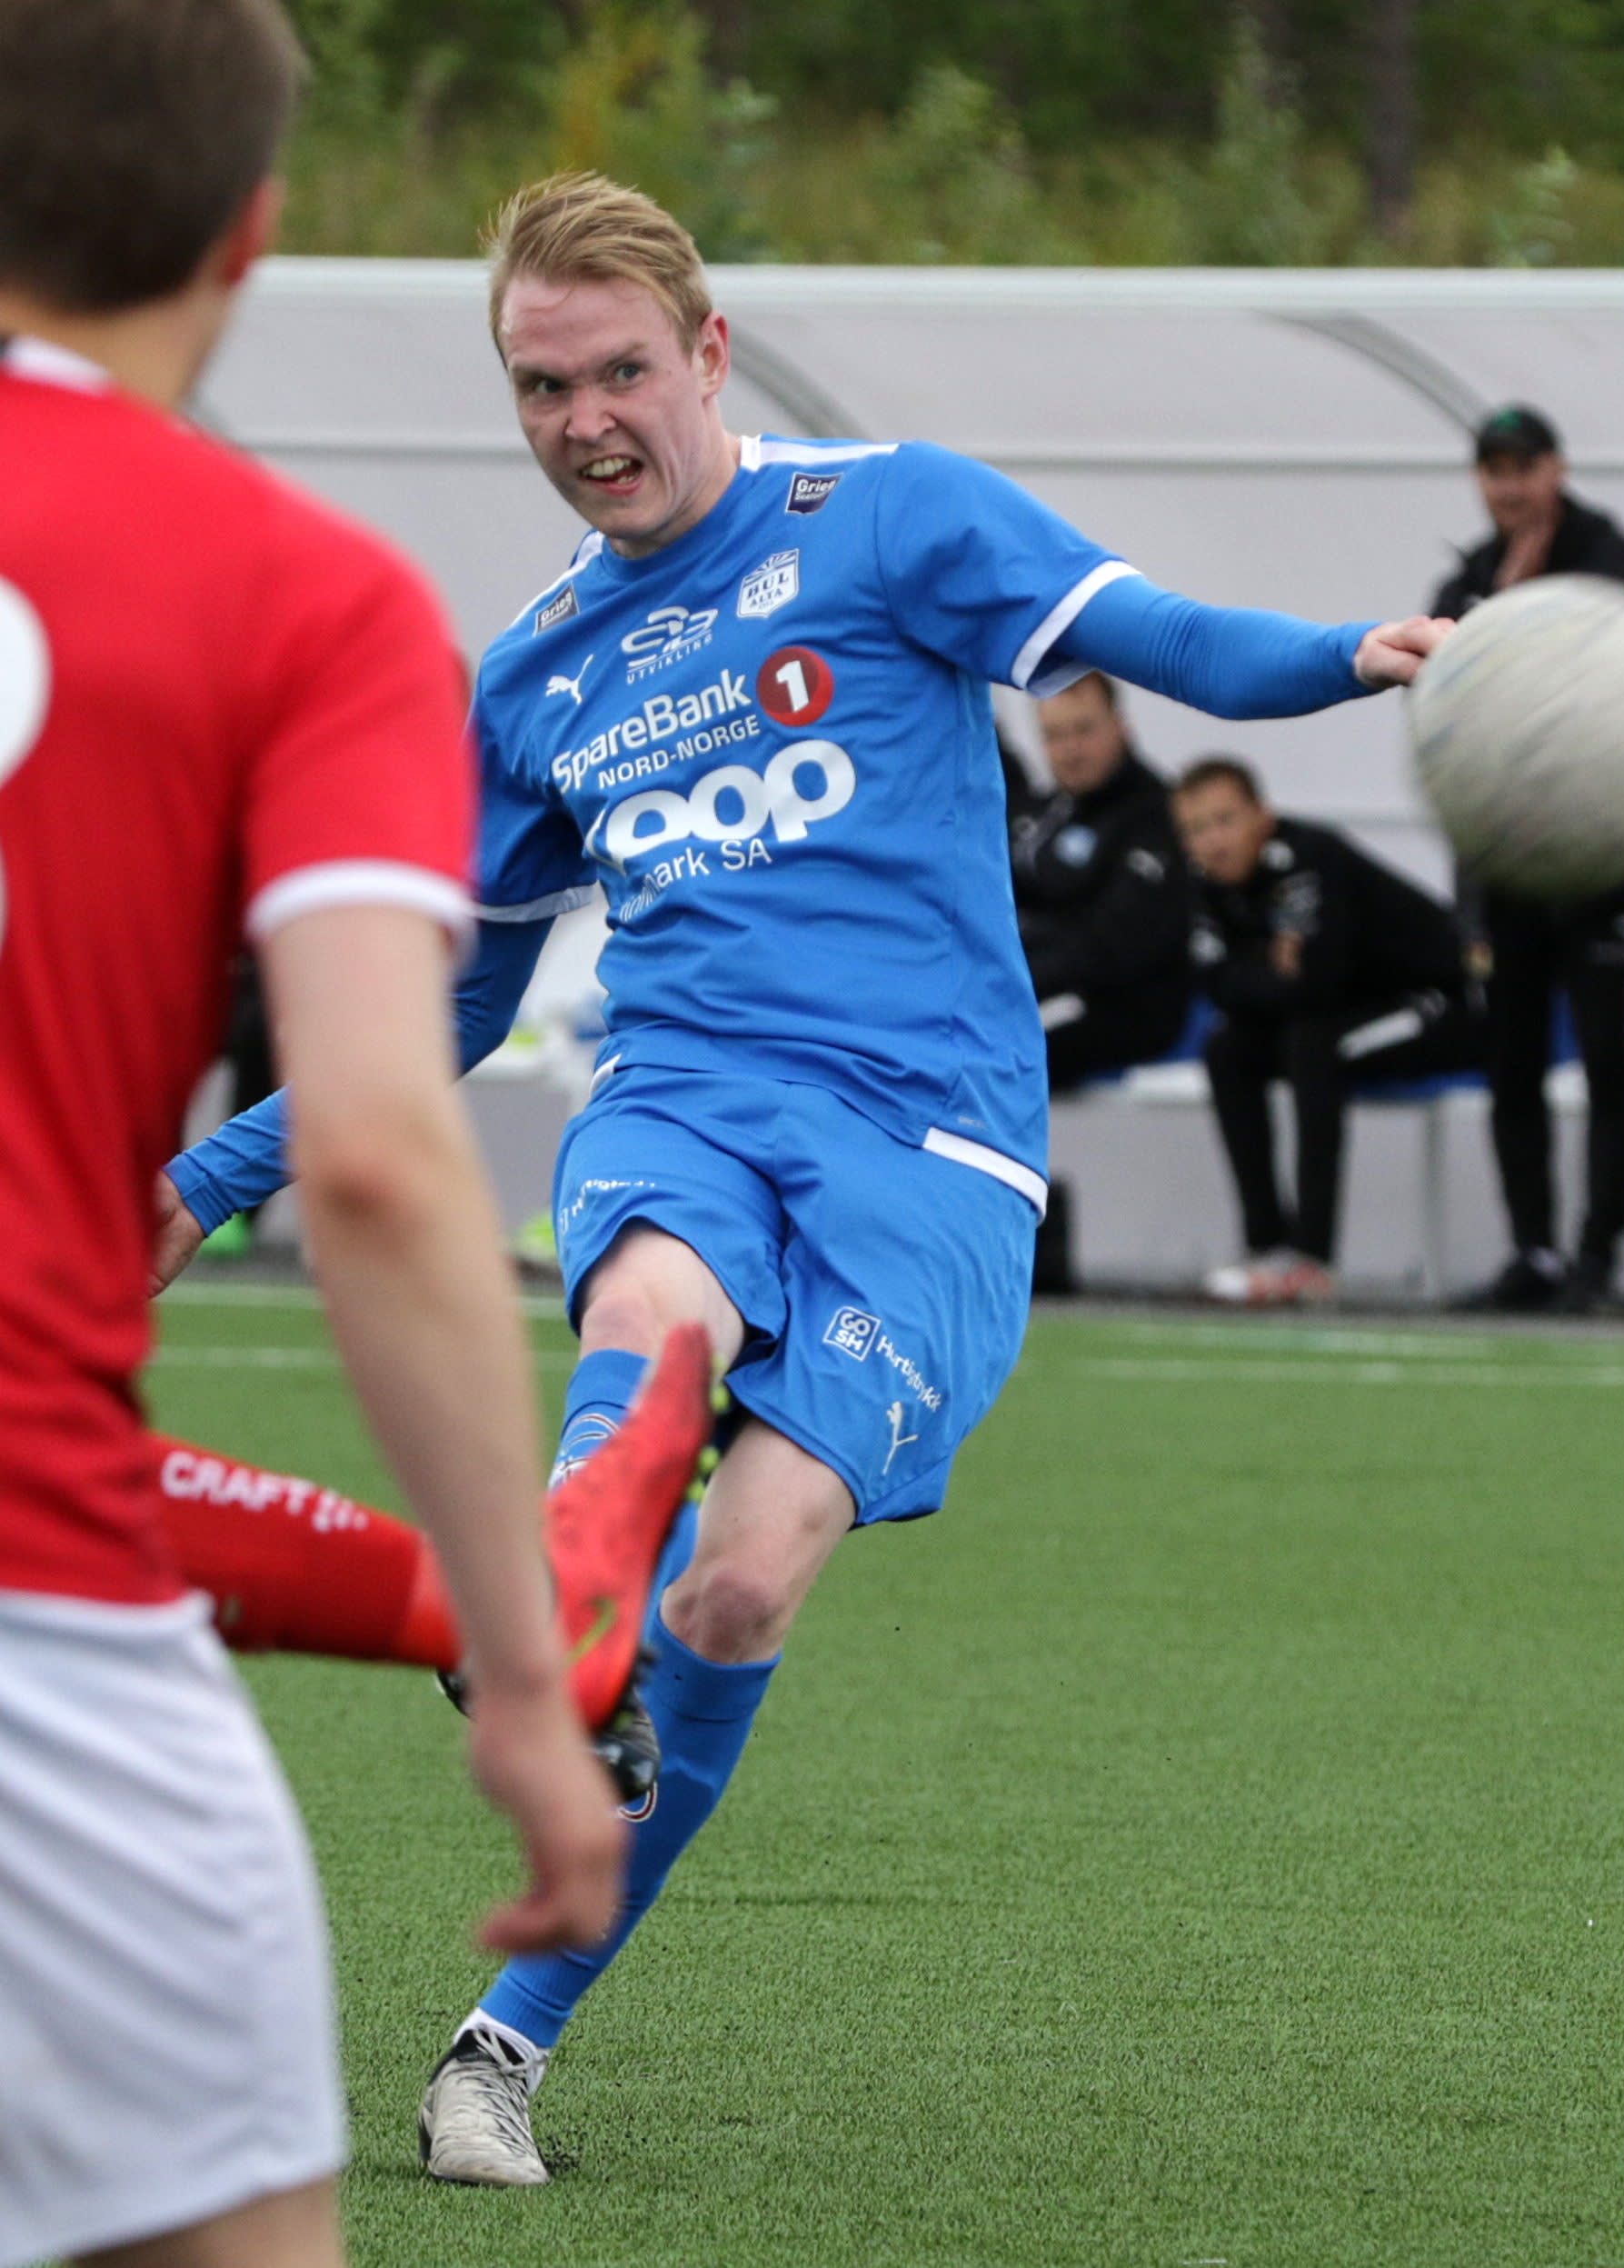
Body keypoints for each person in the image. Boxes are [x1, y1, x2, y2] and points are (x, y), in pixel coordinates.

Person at [149, 170, 1451, 2186]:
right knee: (654, 1310)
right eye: (539, 386)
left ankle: (502, 2037)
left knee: (742, 1587)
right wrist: (216, 1173)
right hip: (682, 1092)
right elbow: (458, 991)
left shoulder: (890, 515)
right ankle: (554, 1615)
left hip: (933, 1147)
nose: (584, 419)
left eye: (617, 371)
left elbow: (1159, 635)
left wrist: (1352, 654)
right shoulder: (536, 671)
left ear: (708, 352)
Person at [0, 16, 674, 2266]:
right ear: (251, 229)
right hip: (50, 1669)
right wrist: (525, 1667)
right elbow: (381, 1154)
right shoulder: (301, 594)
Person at [1432, 405, 1624, 1314]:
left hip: (1601, 862)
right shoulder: (1466, 579)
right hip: (1506, 862)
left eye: (1523, 468)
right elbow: (1438, 709)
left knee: (1606, 1058)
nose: (1509, 487)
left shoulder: (1613, 560)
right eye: (1494, 471)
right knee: (1512, 1061)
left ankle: (1597, 1251)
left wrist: (1516, 614)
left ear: (1555, 470)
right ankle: (1533, 1249)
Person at [1174, 757, 1481, 1305]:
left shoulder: (1309, 858)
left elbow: (1315, 982)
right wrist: (1271, 969)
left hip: (1443, 1004)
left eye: (1225, 820)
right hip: (1346, 1009)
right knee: (1226, 1050)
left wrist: (1255, 973)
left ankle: (1312, 1259)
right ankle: (1266, 1244)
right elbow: (1215, 985)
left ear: (1262, 817)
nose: (1213, 841)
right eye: (1197, 829)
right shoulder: (1199, 885)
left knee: (1314, 1046)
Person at [1011, 670, 1191, 1091]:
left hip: (1125, 1007)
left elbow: (1109, 947)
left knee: (997, 1054)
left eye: (1083, 730)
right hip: (1050, 988)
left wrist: (1006, 982)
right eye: (1055, 736)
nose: (1070, 750)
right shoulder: (1047, 810)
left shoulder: (1158, 816)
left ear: (1120, 727)